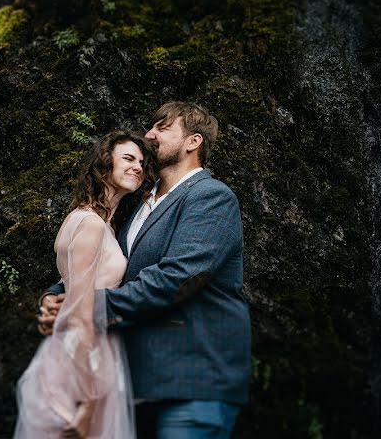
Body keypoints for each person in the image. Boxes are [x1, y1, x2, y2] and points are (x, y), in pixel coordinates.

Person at [38, 102, 251, 438]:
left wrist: (84, 305)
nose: (149, 135)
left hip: (191, 385)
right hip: (133, 387)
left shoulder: (211, 197)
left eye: (162, 128)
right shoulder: (138, 205)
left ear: (193, 142)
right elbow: (107, 265)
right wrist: (56, 296)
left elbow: (178, 277)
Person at [15, 130, 158, 439]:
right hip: (84, 360)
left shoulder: (98, 222)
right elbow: (80, 313)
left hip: (90, 350)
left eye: (142, 162)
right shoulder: (90, 224)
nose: (138, 167)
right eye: (128, 159)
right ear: (105, 164)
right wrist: (89, 403)